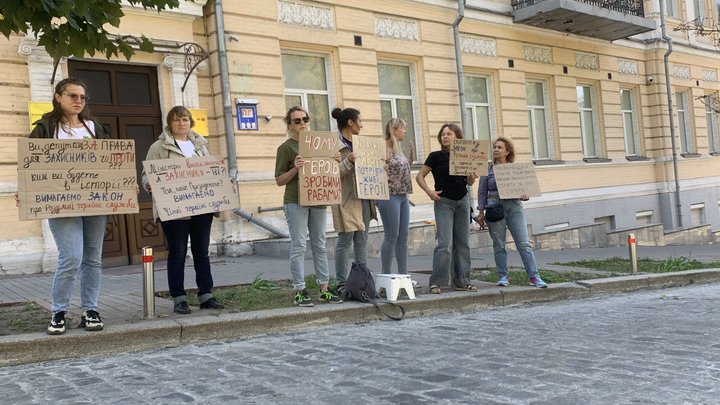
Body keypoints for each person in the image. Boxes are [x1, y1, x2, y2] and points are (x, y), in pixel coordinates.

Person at [29, 78, 110, 335]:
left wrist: (125, 185)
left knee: (92, 259)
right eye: (72, 96)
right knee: (71, 257)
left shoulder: (94, 127)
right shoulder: (45, 128)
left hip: (95, 201)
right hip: (60, 204)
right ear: (58, 97)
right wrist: (27, 191)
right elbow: (30, 164)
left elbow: (111, 163)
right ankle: (59, 311)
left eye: (82, 97)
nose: (78, 101)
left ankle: (91, 309)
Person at [142, 106, 225, 314]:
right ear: (170, 123)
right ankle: (179, 298)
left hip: (202, 208)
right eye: (177, 120)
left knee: (201, 253)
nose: (182, 123)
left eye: (185, 120)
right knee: (177, 253)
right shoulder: (159, 147)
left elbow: (209, 172)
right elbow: (146, 174)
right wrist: (149, 183)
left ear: (191, 123)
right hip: (174, 209)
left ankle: (206, 295)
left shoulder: (200, 145)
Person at [275, 106, 342, 307]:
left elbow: (328, 172)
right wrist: (295, 168)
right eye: (297, 120)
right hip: (296, 201)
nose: (302, 123)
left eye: (305, 119)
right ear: (289, 125)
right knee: (299, 245)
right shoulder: (286, 148)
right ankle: (299, 289)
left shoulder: (321, 145)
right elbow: (279, 180)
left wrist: (336, 161)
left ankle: (324, 289)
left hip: (319, 199)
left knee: (320, 245)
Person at [476, 136, 547, 288]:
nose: (495, 149)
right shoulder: (487, 169)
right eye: (494, 147)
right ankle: (503, 276)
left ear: (507, 151)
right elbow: (482, 192)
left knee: (523, 243)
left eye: (499, 147)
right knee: (499, 245)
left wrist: (525, 195)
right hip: (494, 208)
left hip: (514, 207)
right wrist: (481, 213)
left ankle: (534, 276)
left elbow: (525, 190)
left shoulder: (516, 170)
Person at [416, 123, 477, 294]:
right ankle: (437, 282)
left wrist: (472, 175)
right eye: (443, 134)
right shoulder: (435, 156)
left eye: (449, 134)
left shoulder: (464, 155)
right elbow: (420, 176)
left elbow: (470, 182)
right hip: (444, 202)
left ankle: (462, 281)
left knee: (463, 242)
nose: (445, 136)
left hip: (462, 200)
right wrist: (429, 192)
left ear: (457, 137)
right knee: (444, 243)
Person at [331, 107, 376, 293]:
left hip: (364, 196)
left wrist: (380, 169)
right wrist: (348, 160)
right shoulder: (335, 145)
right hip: (347, 198)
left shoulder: (362, 144)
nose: (362, 125)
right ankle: (342, 282)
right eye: (360, 121)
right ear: (350, 122)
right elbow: (333, 173)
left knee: (362, 239)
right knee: (345, 239)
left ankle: (362, 280)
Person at [375, 118, 413, 276]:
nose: (405, 131)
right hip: (389, 196)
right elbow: (374, 169)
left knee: (403, 236)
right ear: (395, 129)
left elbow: (402, 169)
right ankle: (387, 275)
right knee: (392, 235)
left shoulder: (398, 149)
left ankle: (403, 275)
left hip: (403, 196)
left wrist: (410, 158)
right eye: (403, 128)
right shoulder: (382, 148)